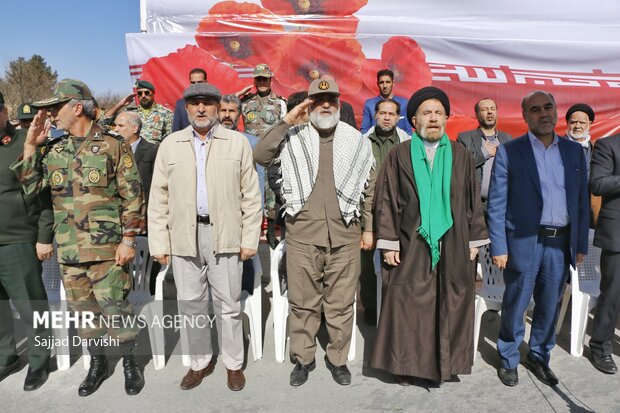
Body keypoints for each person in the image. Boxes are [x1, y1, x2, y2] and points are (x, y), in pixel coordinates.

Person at [11, 79, 146, 397]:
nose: (51, 114)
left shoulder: (113, 144)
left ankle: (130, 364)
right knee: (85, 314)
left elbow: (133, 195)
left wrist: (128, 240)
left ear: (76, 107)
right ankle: (98, 365)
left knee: (116, 309)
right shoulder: (53, 150)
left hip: (107, 250)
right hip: (70, 253)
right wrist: (31, 144)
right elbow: (29, 190)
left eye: (56, 107)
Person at [254, 78, 376, 387]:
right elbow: (260, 156)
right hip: (303, 236)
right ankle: (303, 359)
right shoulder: (292, 136)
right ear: (307, 104)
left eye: (330, 99)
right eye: (317, 99)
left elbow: (371, 189)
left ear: (338, 104)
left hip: (345, 235)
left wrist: (369, 229)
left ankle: (337, 359)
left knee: (340, 304)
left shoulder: (357, 140)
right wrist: (286, 121)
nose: (325, 104)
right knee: (303, 302)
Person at [148, 83, 262, 392]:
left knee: (228, 303)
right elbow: (158, 196)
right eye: (195, 103)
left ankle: (233, 363)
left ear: (217, 107)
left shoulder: (236, 143)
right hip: (184, 234)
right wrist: (158, 242)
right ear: (186, 109)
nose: (201, 109)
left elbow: (252, 195)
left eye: (207, 103)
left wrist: (250, 237)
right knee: (191, 305)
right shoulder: (170, 145)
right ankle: (199, 362)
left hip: (225, 233)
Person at [370, 86, 487, 385]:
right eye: (426, 113)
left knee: (450, 302)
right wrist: (388, 242)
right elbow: (385, 199)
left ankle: (444, 365)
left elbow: (473, 201)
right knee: (408, 302)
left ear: (446, 118)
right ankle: (407, 367)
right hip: (410, 242)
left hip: (453, 243)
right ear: (414, 120)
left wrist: (474, 241)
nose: (433, 118)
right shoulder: (399, 155)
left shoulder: (461, 155)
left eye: (438, 113)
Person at [487, 90, 589, 387]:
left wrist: (580, 244)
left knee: (549, 305)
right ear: (525, 116)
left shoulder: (573, 152)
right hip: (523, 242)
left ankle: (539, 356)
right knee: (516, 303)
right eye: (535, 110)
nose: (543, 113)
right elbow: (496, 203)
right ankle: (508, 357)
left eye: (548, 107)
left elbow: (581, 201)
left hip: (560, 244)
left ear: (556, 111)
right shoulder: (510, 151)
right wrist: (500, 246)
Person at [0, 91, 54, 391]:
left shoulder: (26, 143)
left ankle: (40, 360)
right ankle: (6, 356)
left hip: (18, 240)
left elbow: (43, 196)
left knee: (32, 307)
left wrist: (44, 237)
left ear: (4, 112)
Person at [359, 98, 409, 325]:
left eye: (391, 113)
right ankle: (370, 307)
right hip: (367, 209)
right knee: (367, 263)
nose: (387, 117)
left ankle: (393, 306)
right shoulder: (361, 142)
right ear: (375, 115)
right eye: (382, 113)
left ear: (399, 117)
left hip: (398, 212)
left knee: (397, 260)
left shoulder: (408, 142)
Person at [238, 63, 287, 249]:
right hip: (251, 156)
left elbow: (286, 126)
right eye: (258, 79)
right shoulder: (245, 102)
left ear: (270, 79)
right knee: (252, 193)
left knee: (273, 195)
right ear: (254, 80)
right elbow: (225, 107)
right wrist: (239, 93)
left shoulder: (280, 102)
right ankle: (252, 233)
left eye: (265, 78)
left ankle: (273, 232)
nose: (262, 82)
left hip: (274, 156)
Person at [588, 133, 620, 375]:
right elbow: (597, 184)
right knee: (612, 293)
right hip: (617, 234)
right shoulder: (608, 145)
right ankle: (600, 346)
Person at [456, 98, 512, 205]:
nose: (490, 112)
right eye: (485, 109)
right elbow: (460, 166)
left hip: (502, 204)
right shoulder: (465, 138)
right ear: (477, 115)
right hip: (476, 205)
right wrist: (484, 153)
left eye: (493, 109)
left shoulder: (507, 139)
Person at [113, 111, 158, 210]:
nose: (116, 129)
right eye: (115, 125)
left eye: (120, 125)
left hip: (142, 211)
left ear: (134, 128)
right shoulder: (111, 151)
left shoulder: (153, 151)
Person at [106, 80, 173, 144]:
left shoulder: (165, 113)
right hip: (132, 153)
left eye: (146, 92)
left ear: (153, 93)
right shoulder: (130, 113)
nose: (143, 96)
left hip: (154, 154)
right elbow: (103, 123)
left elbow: (169, 139)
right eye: (140, 93)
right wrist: (120, 105)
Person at [360, 69, 412, 135]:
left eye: (388, 82)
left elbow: (408, 131)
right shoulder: (369, 104)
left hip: (399, 143)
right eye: (382, 82)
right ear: (377, 84)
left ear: (393, 83)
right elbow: (364, 130)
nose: (385, 86)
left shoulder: (404, 104)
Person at [172, 68, 207, 132]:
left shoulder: (215, 102)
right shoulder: (180, 104)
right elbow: (176, 130)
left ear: (206, 82)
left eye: (200, 82)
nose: (196, 85)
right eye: (193, 83)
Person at [565, 103, 595, 175]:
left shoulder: (597, 149)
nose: (577, 126)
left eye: (582, 123)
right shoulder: (556, 147)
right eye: (573, 122)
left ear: (589, 124)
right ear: (567, 123)